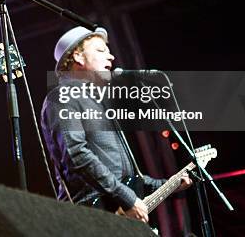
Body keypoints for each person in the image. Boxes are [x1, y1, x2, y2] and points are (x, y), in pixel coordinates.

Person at [40, 26, 190, 224]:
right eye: (101, 51)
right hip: (92, 215)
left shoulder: (99, 102)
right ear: (78, 57)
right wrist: (127, 198)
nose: (111, 57)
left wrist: (170, 184)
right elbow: (76, 154)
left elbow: (127, 177)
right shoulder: (61, 97)